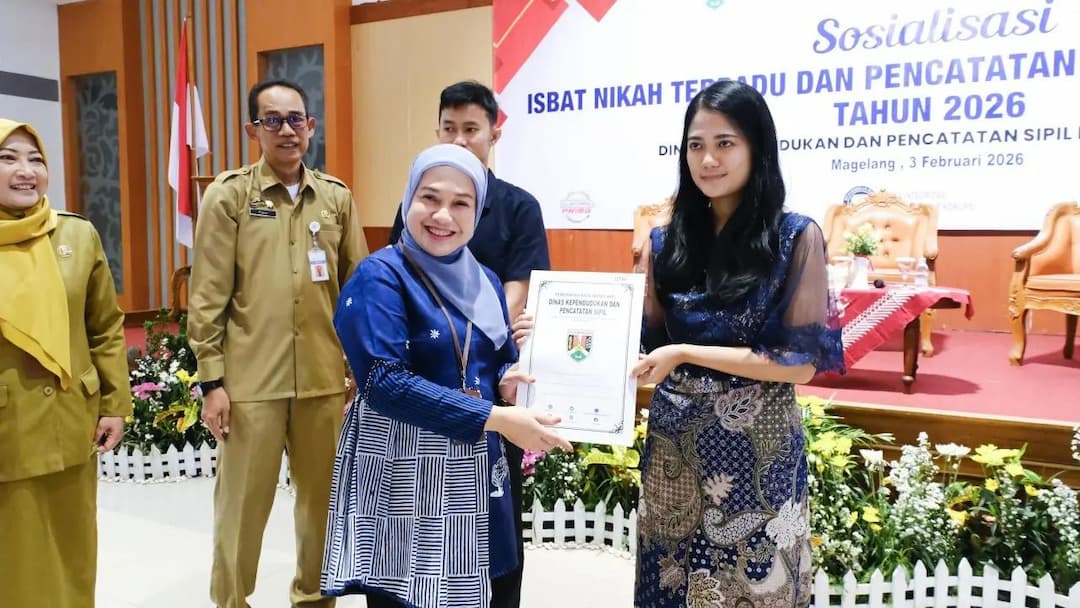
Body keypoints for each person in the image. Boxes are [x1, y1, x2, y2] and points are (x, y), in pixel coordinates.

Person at [322, 143, 571, 608]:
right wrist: (495, 417)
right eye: (429, 198)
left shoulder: (485, 279)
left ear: (477, 213)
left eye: (461, 203)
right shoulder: (381, 276)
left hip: (477, 468)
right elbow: (383, 384)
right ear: (408, 199)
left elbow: (493, 358)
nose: (443, 215)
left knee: (485, 586)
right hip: (404, 472)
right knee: (410, 592)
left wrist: (507, 381)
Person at [630, 80, 844, 607]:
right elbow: (642, 346)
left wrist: (686, 353)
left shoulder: (795, 238)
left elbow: (797, 365)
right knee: (670, 584)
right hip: (674, 449)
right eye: (696, 145)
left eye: (725, 143)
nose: (708, 160)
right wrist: (552, 336)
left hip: (758, 451)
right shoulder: (663, 242)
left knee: (755, 586)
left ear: (757, 148)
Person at [187, 79, 368, 608]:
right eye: (272, 120)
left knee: (323, 509)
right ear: (254, 130)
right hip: (251, 383)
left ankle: (315, 600)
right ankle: (231, 601)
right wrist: (212, 382)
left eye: (295, 119)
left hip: (322, 380)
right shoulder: (229, 196)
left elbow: (358, 290)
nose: (286, 130)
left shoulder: (336, 198)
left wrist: (360, 367)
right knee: (241, 508)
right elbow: (208, 294)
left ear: (310, 126)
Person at [389, 81, 551, 606]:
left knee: (495, 516)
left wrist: (477, 341)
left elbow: (516, 289)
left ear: (493, 134)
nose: (459, 140)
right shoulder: (415, 205)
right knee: (418, 527)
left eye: (471, 130)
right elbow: (400, 284)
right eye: (449, 129)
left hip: (491, 378)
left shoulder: (518, 206)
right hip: (425, 387)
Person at [0, 118, 131, 607]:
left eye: (35, 159)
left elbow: (105, 326)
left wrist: (115, 404)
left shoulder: (76, 234)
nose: (25, 171)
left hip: (72, 420)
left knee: (73, 549)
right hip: (9, 430)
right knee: (15, 558)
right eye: (7, 158)